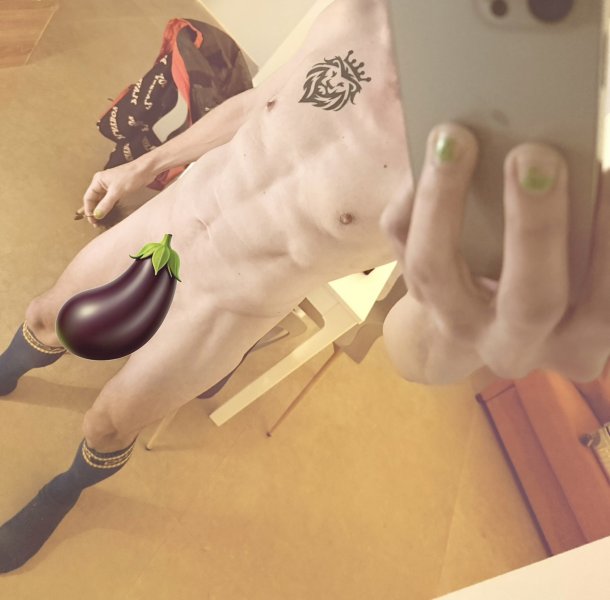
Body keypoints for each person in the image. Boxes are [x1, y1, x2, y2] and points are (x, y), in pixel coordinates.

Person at [0, 0, 609, 573]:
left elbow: (415, 349)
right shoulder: (361, 10)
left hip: (233, 302)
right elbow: (260, 102)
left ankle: (64, 491)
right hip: (171, 221)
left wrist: (474, 323)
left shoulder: (494, 156)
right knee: (46, 317)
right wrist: (142, 166)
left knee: (108, 424)